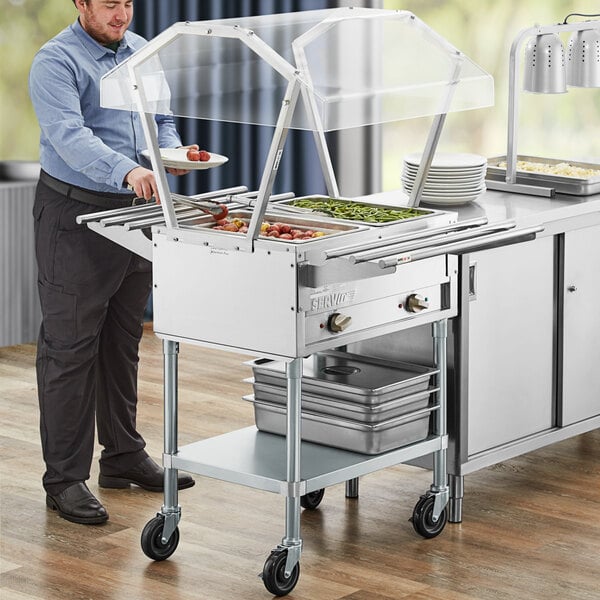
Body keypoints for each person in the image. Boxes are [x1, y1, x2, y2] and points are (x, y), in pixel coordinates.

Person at [29, 0, 195, 525]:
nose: (121, 13)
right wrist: (128, 170)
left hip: (135, 214)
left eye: (127, 2)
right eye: (108, 5)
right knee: (69, 349)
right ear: (81, 4)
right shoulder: (55, 62)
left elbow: (160, 121)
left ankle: (122, 455)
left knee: (122, 338)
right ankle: (64, 479)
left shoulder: (145, 53)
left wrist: (168, 155)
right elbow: (68, 136)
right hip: (74, 216)